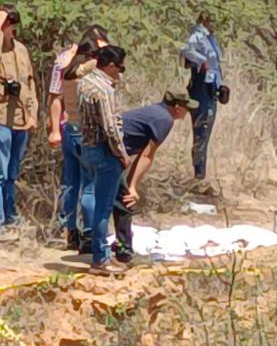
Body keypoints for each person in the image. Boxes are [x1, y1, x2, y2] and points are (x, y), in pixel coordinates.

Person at [112, 89, 199, 263]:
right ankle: (124, 252)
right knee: (124, 202)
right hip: (110, 153)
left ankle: (94, 243)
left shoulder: (156, 112)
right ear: (176, 107)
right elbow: (147, 155)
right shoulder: (164, 120)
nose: (187, 112)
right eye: (186, 108)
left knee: (106, 196)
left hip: (108, 151)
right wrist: (132, 187)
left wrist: (131, 183)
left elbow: (143, 154)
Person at [47, 25, 109, 252]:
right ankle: (90, 235)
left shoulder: (64, 62)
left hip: (69, 129)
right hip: (86, 131)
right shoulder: (91, 67)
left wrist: (55, 128)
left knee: (70, 183)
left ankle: (69, 230)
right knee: (91, 185)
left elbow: (55, 96)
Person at [77, 45, 130, 276]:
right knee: (104, 207)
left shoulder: (84, 83)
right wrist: (121, 153)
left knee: (93, 198)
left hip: (87, 147)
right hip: (104, 150)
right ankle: (101, 258)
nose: (119, 73)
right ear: (110, 66)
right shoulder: (104, 89)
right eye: (120, 68)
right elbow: (110, 127)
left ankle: (100, 253)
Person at [0, 5, 38, 232]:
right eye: (7, 26)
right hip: (2, 119)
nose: (11, 31)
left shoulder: (21, 50)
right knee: (0, 172)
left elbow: (30, 83)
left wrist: (33, 114)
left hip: (21, 120)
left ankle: (11, 214)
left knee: (12, 173)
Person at [180, 12, 228, 183]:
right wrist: (201, 61)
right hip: (201, 86)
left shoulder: (211, 38)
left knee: (206, 131)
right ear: (205, 19)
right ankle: (198, 174)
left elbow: (216, 64)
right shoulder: (198, 36)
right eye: (212, 19)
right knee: (201, 128)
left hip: (212, 86)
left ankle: (202, 173)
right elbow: (185, 50)